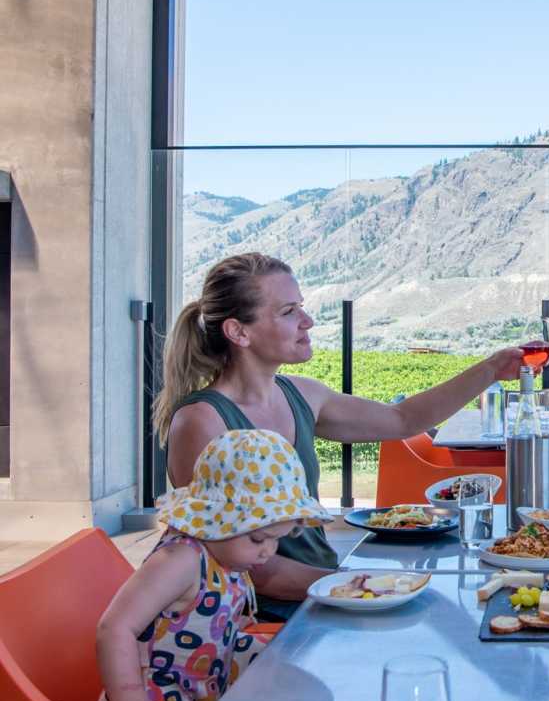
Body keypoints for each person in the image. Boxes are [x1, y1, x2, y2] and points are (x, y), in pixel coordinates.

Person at [155, 252, 524, 620]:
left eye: (300, 306)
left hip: (321, 594)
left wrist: (492, 369)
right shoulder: (201, 421)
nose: (307, 321)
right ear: (239, 331)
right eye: (288, 312)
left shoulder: (302, 394)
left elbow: (402, 419)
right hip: (261, 618)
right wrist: (366, 583)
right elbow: (253, 569)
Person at [94, 428, 333, 701]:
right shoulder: (181, 559)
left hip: (205, 680)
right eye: (258, 539)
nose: (268, 551)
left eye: (278, 538)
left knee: (295, 667)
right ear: (216, 520)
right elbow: (115, 626)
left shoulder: (227, 556)